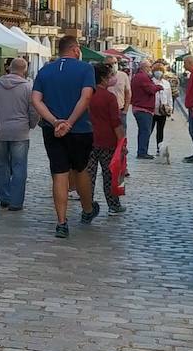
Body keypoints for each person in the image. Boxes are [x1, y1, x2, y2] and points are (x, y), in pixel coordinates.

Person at [32, 36, 95, 239]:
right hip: (80, 129)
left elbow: (35, 100)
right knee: (81, 168)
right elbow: (85, 97)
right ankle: (87, 210)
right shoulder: (86, 69)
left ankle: (61, 222)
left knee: (59, 173)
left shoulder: (45, 70)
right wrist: (69, 122)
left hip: (52, 130)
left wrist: (54, 121)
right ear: (76, 50)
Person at [0, 58, 38, 212]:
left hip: (0, 131)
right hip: (20, 132)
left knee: (1, 165)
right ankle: (16, 202)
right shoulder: (28, 87)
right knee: (19, 166)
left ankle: (4, 197)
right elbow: (33, 110)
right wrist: (31, 124)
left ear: (9, 68)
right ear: (24, 70)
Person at [87, 62, 125, 217]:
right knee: (109, 175)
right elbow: (115, 122)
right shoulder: (109, 97)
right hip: (107, 141)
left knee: (89, 175)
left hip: (88, 139)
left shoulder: (86, 94)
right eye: (110, 76)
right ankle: (113, 205)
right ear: (103, 78)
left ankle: (87, 205)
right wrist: (121, 143)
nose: (111, 78)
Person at [129, 60, 162, 159]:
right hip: (143, 108)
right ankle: (142, 152)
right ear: (144, 67)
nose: (150, 69)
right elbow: (150, 90)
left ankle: (142, 151)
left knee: (143, 131)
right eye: (149, 67)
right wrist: (158, 87)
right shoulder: (143, 77)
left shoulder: (138, 76)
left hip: (140, 107)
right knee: (145, 131)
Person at [104, 56, 131, 132]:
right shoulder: (103, 77)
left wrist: (125, 110)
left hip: (120, 110)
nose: (113, 65)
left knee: (121, 134)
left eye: (115, 63)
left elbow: (128, 93)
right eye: (110, 64)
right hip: (106, 111)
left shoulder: (123, 75)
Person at [153, 62, 174, 150]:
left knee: (160, 130)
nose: (158, 72)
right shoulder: (151, 82)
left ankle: (159, 148)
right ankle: (144, 149)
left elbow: (169, 96)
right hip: (152, 110)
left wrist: (170, 108)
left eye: (160, 70)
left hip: (162, 110)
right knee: (149, 130)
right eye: (157, 70)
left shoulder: (166, 83)